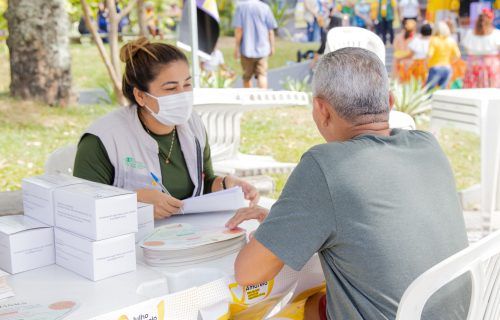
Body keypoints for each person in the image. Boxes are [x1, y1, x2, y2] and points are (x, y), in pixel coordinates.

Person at [227, 47, 470, 320]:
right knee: (314, 304)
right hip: (457, 312)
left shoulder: (326, 167)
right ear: (390, 102)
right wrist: (285, 223)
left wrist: (279, 230)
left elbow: (249, 273)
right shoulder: (427, 145)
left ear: (321, 110)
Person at [73, 38, 259, 220]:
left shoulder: (192, 124)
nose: (183, 95)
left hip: (185, 236)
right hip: (127, 243)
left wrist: (228, 185)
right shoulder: (103, 139)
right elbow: (82, 209)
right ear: (140, 96)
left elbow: (206, 182)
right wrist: (134, 201)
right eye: (170, 88)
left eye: (187, 84)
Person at [233, 0, 278, 89]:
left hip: (246, 48)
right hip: (263, 49)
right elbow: (270, 31)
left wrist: (237, 47)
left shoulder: (241, 7)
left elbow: (239, 30)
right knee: (262, 75)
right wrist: (272, 46)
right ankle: (263, 99)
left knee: (247, 77)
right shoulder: (265, 7)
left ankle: (249, 99)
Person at [462, 9, 500, 88]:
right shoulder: (496, 34)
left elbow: (465, 47)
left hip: (474, 64)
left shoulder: (470, 34)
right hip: (491, 64)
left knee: (473, 88)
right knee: (491, 88)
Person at [426, 21, 461, 90]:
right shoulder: (451, 40)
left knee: (430, 90)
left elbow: (429, 55)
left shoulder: (433, 40)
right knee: (443, 91)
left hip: (435, 67)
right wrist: (450, 62)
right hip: (447, 67)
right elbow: (457, 55)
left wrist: (426, 63)